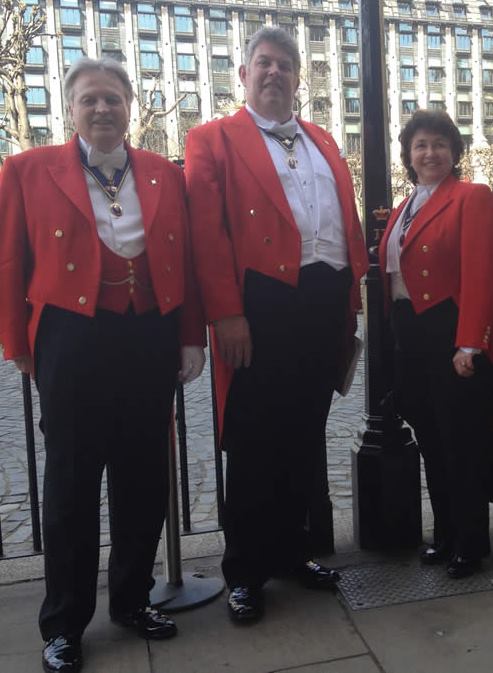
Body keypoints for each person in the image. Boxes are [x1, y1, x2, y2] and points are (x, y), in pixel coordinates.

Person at [0, 57, 205, 672]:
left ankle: (132, 599)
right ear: (70, 109)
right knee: (70, 484)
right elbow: (9, 264)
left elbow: (186, 260)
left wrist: (189, 336)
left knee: (143, 477)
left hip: (148, 335)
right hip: (71, 338)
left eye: (113, 99)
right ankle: (64, 624)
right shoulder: (26, 170)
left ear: (129, 106)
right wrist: (18, 347)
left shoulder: (165, 173)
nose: (102, 109)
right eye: (89, 100)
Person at [185, 27, 368, 623]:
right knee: (255, 440)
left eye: (285, 65)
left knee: (304, 433)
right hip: (259, 304)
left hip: (322, 299)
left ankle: (293, 553)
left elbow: (343, 216)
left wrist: (352, 293)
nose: (274, 73)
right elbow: (208, 236)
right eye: (263, 63)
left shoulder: (323, 139)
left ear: (297, 77)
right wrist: (227, 313)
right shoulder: (211, 139)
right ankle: (245, 571)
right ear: (243, 74)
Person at [379, 109, 493, 579]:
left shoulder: (472, 197)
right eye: (421, 145)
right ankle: (444, 533)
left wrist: (470, 343)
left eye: (440, 144)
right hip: (411, 335)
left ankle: (470, 542)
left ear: (454, 152)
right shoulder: (407, 207)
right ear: (408, 154)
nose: (430, 153)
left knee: (460, 443)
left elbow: (481, 273)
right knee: (430, 441)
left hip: (449, 332)